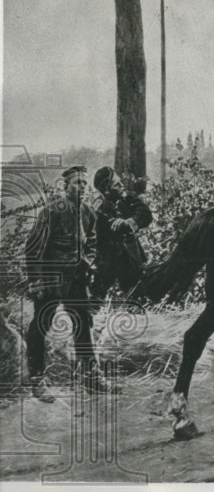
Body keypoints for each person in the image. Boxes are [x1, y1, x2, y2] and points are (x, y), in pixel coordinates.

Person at [23, 166, 115, 401]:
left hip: (77, 279)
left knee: (83, 325)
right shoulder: (51, 211)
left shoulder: (88, 213)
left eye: (85, 183)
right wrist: (37, 281)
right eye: (77, 183)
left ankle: (92, 378)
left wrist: (89, 262)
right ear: (65, 186)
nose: (83, 187)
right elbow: (32, 248)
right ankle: (37, 380)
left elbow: (92, 243)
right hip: (52, 280)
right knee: (40, 326)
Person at [91, 167, 152, 300]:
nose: (122, 185)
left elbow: (146, 214)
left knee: (138, 300)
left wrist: (128, 222)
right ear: (107, 190)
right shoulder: (97, 207)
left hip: (130, 258)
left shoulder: (127, 198)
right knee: (96, 300)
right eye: (117, 184)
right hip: (107, 261)